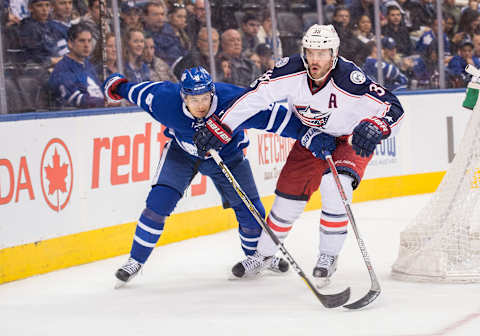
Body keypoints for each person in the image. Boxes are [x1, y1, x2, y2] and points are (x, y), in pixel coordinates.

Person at [193, 24, 405, 286]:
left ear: (334, 53)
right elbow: (254, 97)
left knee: (334, 187)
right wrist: (221, 125)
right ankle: (263, 255)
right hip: (311, 138)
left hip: (348, 139)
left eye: (322, 53)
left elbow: (393, 107)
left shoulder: (350, 79)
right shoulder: (290, 70)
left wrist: (378, 126)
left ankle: (328, 256)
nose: (314, 59)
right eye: (310, 52)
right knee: (285, 202)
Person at [103, 66, 293, 286]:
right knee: (157, 204)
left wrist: (307, 132)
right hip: (182, 155)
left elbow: (274, 117)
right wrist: (117, 86)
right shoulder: (164, 100)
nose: (201, 105)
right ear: (183, 96)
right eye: (194, 100)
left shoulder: (232, 100)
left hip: (228, 157)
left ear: (212, 92)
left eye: (205, 98)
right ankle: (134, 261)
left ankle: (258, 257)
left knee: (250, 210)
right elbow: (136, 91)